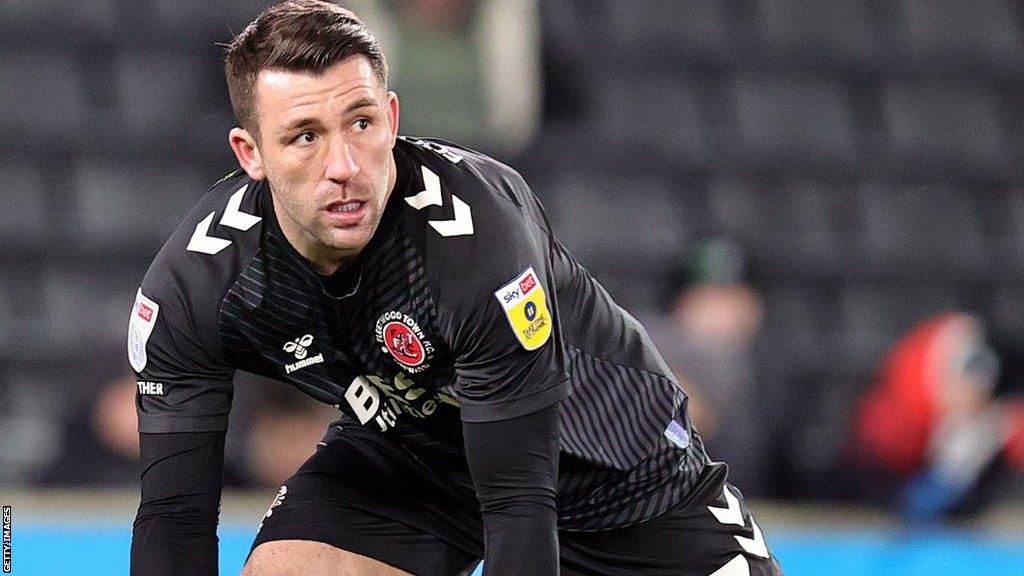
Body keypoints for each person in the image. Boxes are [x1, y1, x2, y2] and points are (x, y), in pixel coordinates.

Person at [128, 2, 783, 575]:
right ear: (250, 155)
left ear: (391, 115)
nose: (345, 168)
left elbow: (520, 506)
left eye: (360, 124)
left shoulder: (470, 235)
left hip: (605, 461)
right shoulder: (198, 285)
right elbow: (174, 517)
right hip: (411, 447)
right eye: (304, 137)